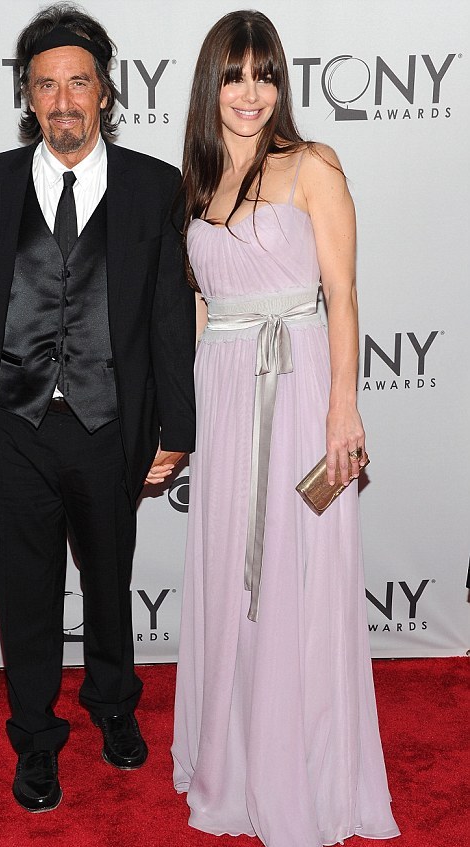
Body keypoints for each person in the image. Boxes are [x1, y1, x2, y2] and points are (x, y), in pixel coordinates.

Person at [0, 3, 195, 813]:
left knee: (111, 582)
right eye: (46, 85)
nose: (63, 100)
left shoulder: (155, 186)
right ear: (27, 94)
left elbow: (170, 317)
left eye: (78, 82)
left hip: (110, 425)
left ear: (105, 92)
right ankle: (37, 741)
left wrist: (177, 428)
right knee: (26, 593)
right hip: (15, 428)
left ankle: (114, 705)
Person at [171, 11, 400, 846]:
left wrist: (344, 406)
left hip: (300, 389)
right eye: (235, 75)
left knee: (300, 572)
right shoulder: (195, 184)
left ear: (281, 85)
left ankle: (305, 770)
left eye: (264, 75)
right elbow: (201, 312)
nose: (250, 92)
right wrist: (177, 419)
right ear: (212, 84)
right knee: (231, 573)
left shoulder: (312, 165)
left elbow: (343, 294)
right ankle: (232, 760)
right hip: (225, 391)